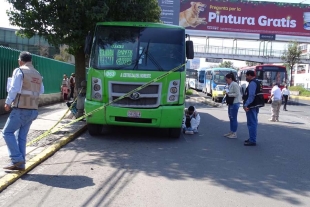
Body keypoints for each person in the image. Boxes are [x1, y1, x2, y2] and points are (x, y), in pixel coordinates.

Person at [2, 51, 44, 171]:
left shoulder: (19, 70)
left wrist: (8, 102)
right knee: (21, 136)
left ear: (20, 60)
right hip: (33, 110)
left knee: (7, 133)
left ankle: (16, 159)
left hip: (21, 109)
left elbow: (14, 88)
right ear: (30, 61)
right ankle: (21, 164)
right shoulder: (37, 74)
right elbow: (41, 91)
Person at [242, 71, 264, 146]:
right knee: (253, 122)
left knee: (251, 123)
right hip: (255, 105)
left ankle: (252, 140)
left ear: (250, 75)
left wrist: (246, 105)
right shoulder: (258, 82)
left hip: (251, 106)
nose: (246, 78)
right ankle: (252, 138)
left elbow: (251, 96)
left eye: (246, 76)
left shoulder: (252, 83)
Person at [223, 73, 241, 139]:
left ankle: (234, 133)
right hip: (231, 103)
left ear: (230, 78)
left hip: (235, 103)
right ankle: (231, 131)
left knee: (234, 118)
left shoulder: (235, 84)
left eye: (227, 80)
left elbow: (236, 94)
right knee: (231, 118)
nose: (226, 81)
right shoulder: (230, 84)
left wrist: (228, 94)